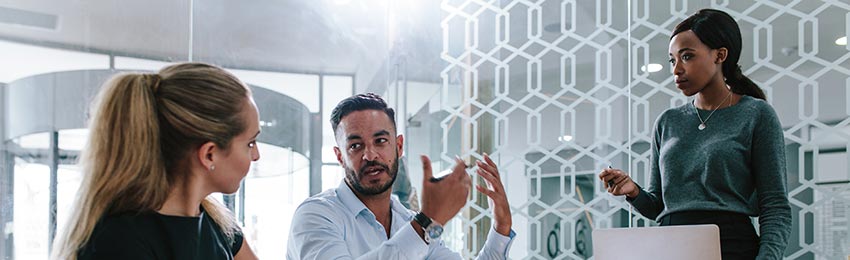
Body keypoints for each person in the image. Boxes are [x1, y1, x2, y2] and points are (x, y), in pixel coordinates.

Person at [599, 9, 791, 259]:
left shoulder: (756, 115)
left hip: (732, 247)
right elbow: (658, 207)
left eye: (687, 57)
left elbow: (775, 207)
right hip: (670, 248)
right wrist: (633, 191)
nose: (676, 69)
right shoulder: (668, 121)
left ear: (720, 55)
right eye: (672, 60)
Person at [50, 62, 260, 260]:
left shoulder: (217, 223)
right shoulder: (120, 243)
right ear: (209, 154)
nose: (256, 155)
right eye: (250, 143)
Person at [286, 93, 515, 259]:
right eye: (355, 146)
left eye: (380, 141)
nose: (370, 155)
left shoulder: (408, 220)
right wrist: (426, 220)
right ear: (339, 156)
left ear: (399, 146)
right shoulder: (316, 215)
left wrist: (501, 228)